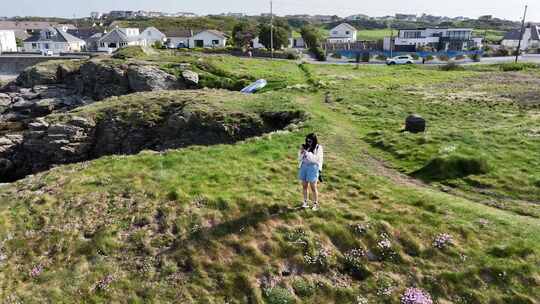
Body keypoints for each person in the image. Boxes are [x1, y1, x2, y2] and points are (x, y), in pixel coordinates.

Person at [298, 133, 324, 211]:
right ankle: (305, 202)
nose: (308, 142)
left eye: (310, 140)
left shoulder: (318, 147)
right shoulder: (305, 146)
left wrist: (307, 153)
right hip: (304, 166)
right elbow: (299, 158)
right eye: (307, 140)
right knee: (304, 186)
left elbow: (316, 159)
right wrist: (301, 153)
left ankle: (315, 204)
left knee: (313, 187)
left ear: (314, 140)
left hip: (313, 167)